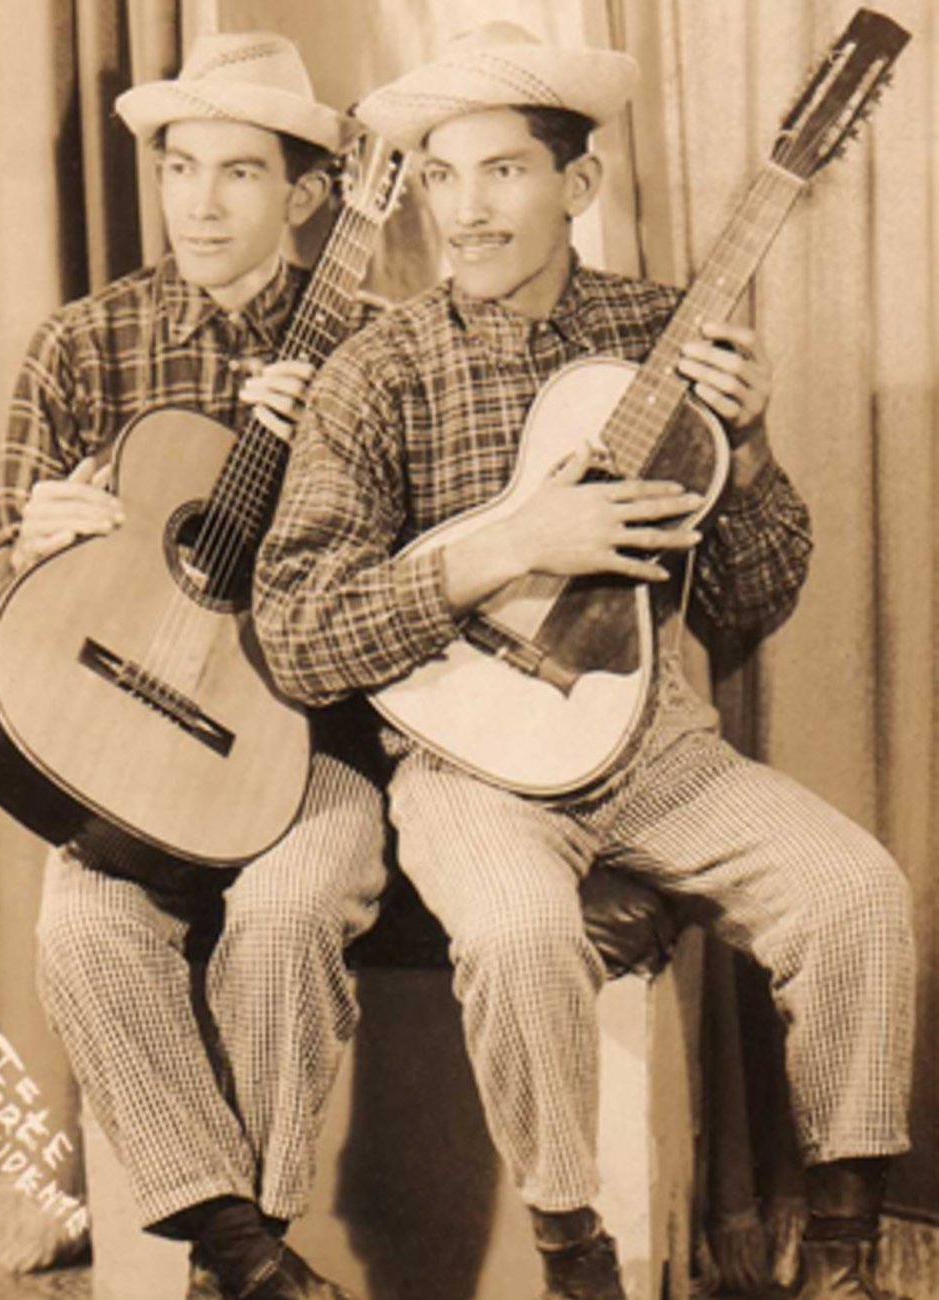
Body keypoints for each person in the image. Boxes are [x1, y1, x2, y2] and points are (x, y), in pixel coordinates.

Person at [252, 24, 915, 1300]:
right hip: (466, 761)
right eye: (441, 176)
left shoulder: (665, 330)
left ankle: (841, 1256)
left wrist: (753, 455)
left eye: (502, 171)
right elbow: (294, 630)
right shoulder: (372, 371)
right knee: (511, 927)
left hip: (655, 742)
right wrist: (502, 549)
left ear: (581, 187)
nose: (463, 209)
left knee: (857, 893)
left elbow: (752, 600)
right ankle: (574, 1253)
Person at [0, 32, 391, 1300]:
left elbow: (414, 601)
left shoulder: (375, 347)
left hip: (308, 745)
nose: (199, 202)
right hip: (132, 743)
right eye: (179, 167)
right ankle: (242, 1255)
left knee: (286, 913)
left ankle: (238, 1248)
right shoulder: (83, 344)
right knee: (83, 930)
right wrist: (40, 548)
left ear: (313, 194)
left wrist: (329, 467)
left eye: (241, 173)